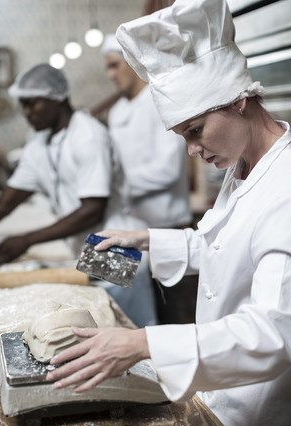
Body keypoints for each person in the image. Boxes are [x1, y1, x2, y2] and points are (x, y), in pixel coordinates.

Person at [46, 1, 291, 426]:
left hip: (262, 409)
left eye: (196, 131)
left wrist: (144, 344)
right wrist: (148, 241)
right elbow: (222, 244)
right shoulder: (245, 164)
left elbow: (275, 334)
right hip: (223, 394)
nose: (193, 152)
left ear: (239, 99)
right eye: (183, 136)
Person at [0, 63, 157, 328]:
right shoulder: (39, 146)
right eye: (22, 105)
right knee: (98, 330)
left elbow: (92, 209)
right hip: (82, 249)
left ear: (56, 97)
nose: (26, 113)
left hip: (115, 249)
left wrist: (27, 239)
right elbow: (4, 203)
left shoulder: (88, 136)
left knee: (130, 331)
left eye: (32, 104)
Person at [101, 34, 196, 325]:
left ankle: (164, 369)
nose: (111, 75)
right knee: (119, 309)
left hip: (166, 230)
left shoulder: (160, 102)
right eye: (108, 68)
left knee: (172, 317)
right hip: (127, 226)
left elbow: (168, 170)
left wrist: (112, 185)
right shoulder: (117, 111)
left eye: (115, 66)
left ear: (133, 62)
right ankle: (133, 366)